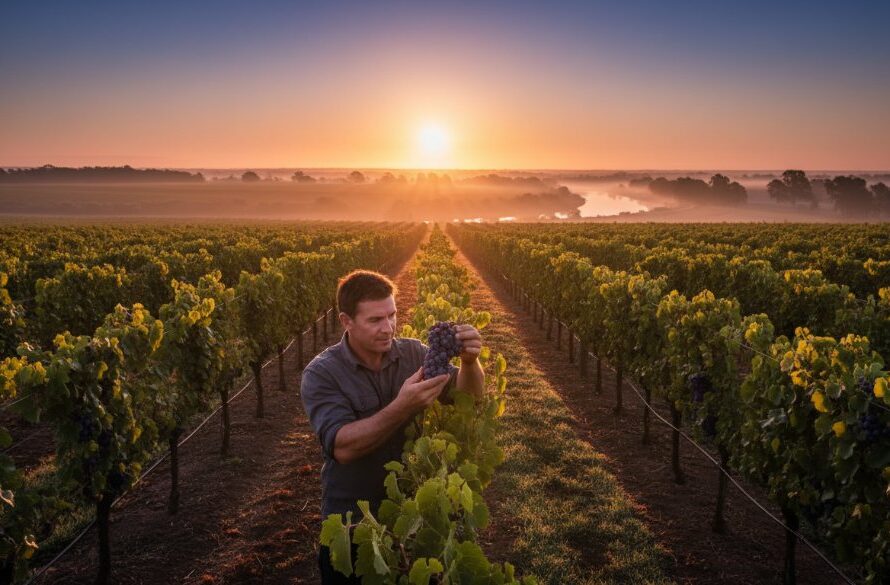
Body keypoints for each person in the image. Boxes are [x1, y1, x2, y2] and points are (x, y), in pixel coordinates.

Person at [300, 269, 485, 584]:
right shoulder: (322, 374)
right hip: (354, 525)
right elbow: (343, 447)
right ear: (346, 321)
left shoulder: (413, 353)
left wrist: (470, 362)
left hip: (412, 517)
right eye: (375, 320)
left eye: (392, 315)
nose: (388, 328)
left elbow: (470, 398)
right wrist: (404, 406)